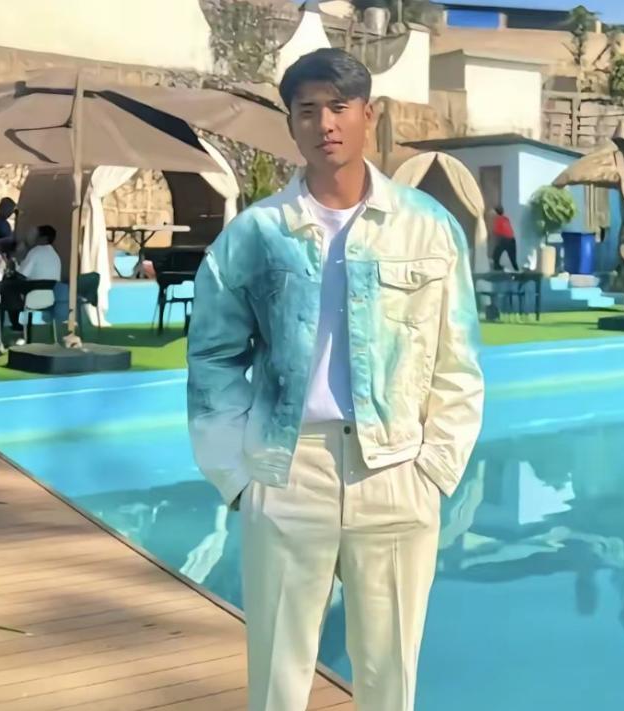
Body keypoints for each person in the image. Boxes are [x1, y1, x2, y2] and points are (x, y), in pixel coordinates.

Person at [187, 48, 484, 711]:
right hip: (287, 470)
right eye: (308, 109)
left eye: (339, 106)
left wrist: (434, 468)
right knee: (277, 679)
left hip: (397, 472)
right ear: (292, 122)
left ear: (368, 115)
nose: (325, 123)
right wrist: (237, 477)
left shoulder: (429, 227)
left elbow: (457, 362)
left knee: (390, 677)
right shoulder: (255, 233)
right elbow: (212, 360)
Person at [491, 205, 519, 271]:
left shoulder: (498, 219)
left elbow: (496, 231)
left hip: (505, 240)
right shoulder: (506, 219)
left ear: (496, 212)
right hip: (512, 240)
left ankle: (497, 268)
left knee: (495, 256)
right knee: (513, 259)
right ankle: (517, 270)